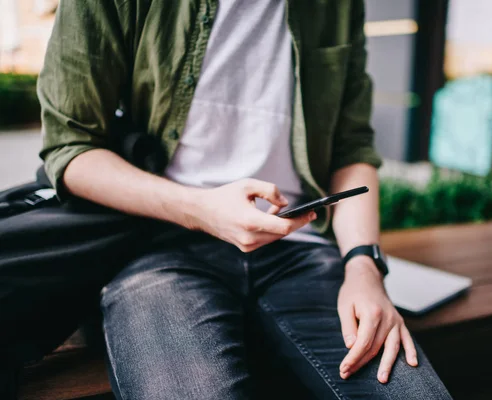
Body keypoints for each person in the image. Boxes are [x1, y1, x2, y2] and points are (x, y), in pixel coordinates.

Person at [38, 1, 452, 399]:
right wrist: (201, 209)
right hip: (159, 247)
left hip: (300, 251)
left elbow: (353, 149)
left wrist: (365, 267)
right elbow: (71, 147)